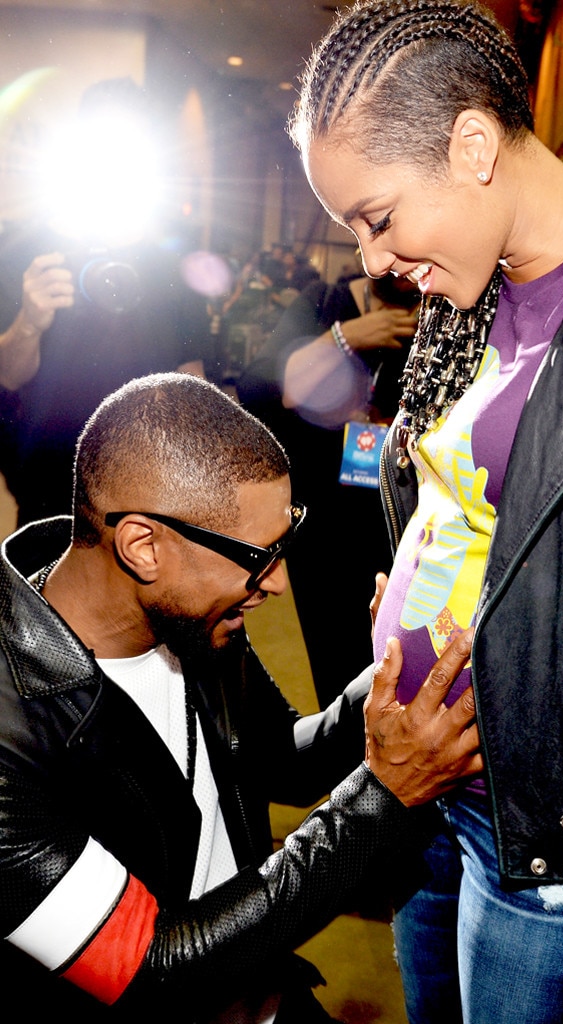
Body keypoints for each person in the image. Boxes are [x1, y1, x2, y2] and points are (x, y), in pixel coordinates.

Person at [288, 0, 563, 1021]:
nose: (368, 260)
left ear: (473, 146)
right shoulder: (464, 284)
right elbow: (468, 493)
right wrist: (415, 584)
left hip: (544, 838)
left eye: (377, 216)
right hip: (424, 792)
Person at [0, 370, 483, 1021]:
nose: (279, 583)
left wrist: (392, 679)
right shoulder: (12, 728)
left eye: (284, 544)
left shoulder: (192, 618)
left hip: (272, 996)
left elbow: (278, 756)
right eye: (258, 557)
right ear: (144, 545)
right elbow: (152, 966)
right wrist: (385, 794)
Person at [0, 77, 212, 526]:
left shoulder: (175, 252)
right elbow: (8, 376)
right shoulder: (24, 245)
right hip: (50, 485)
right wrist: (29, 323)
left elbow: (190, 374)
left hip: (148, 488)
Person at [237, 272, 419, 706]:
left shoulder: (444, 311)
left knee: (396, 653)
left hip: (400, 518)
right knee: (332, 654)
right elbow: (263, 389)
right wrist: (345, 336)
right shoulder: (326, 302)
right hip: (324, 518)